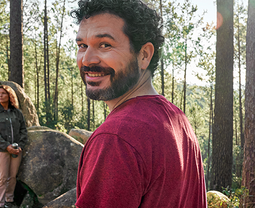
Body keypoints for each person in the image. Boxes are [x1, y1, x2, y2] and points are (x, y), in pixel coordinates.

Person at [71, 0, 207, 207]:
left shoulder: (116, 137)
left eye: (105, 45)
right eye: (82, 46)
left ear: (144, 55)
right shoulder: (178, 120)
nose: (87, 59)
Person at [0, 85, 28, 208]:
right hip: (1, 150)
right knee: (2, 178)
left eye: (3, 93)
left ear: (9, 95)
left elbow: (23, 131)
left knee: (12, 177)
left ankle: (8, 201)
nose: (0, 95)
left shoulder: (17, 113)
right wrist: (6, 146)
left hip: (16, 150)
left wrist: (20, 146)